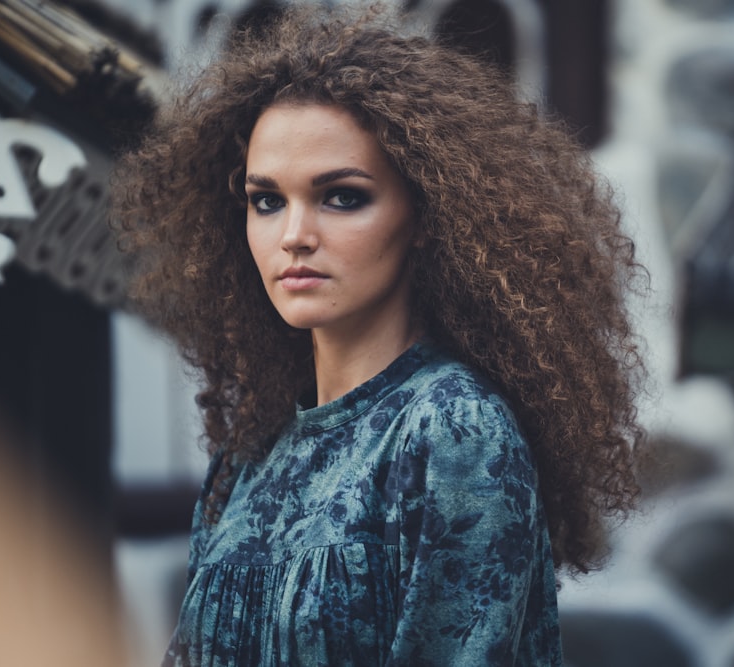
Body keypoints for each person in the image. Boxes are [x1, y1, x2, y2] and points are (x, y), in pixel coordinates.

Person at [112, 3, 645, 665]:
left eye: (341, 196)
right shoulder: (254, 447)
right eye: (266, 199)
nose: (294, 234)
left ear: (424, 214)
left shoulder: (452, 429)